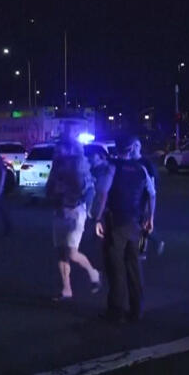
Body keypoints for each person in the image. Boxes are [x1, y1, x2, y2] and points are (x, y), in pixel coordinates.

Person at [92, 135, 156, 324]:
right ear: (130, 150)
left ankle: (116, 311)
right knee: (134, 267)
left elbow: (103, 193)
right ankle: (137, 310)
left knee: (116, 268)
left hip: (117, 223)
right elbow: (152, 194)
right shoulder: (141, 169)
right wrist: (150, 218)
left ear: (117, 149)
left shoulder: (113, 168)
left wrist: (97, 218)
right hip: (134, 223)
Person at [46, 131, 100, 301]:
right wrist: (51, 195)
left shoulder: (79, 164)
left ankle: (94, 273)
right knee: (61, 252)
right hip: (59, 210)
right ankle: (66, 289)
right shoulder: (57, 165)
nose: (58, 149)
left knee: (71, 253)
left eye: (61, 146)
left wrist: (90, 211)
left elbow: (90, 189)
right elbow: (50, 186)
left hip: (75, 211)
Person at [131, 138, 164, 260]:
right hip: (133, 197)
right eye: (133, 145)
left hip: (144, 198)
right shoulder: (128, 161)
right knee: (139, 224)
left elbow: (152, 182)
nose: (134, 148)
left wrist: (150, 201)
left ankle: (143, 250)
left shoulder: (145, 163)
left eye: (137, 145)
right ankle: (153, 243)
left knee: (143, 224)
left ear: (140, 147)